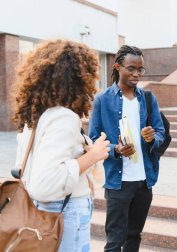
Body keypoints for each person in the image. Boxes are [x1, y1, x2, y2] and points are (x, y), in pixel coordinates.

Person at [13, 39, 110, 251]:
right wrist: (93, 155)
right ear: (76, 78)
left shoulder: (37, 117)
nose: (93, 85)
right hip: (63, 211)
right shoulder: (63, 118)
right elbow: (45, 183)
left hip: (40, 211)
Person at [89, 45, 165, 252]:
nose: (136, 74)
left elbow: (160, 132)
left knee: (134, 236)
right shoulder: (103, 100)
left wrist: (152, 138)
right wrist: (115, 149)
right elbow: (93, 139)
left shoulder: (148, 99)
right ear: (118, 67)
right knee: (115, 240)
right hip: (118, 182)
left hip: (144, 181)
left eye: (140, 69)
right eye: (131, 68)